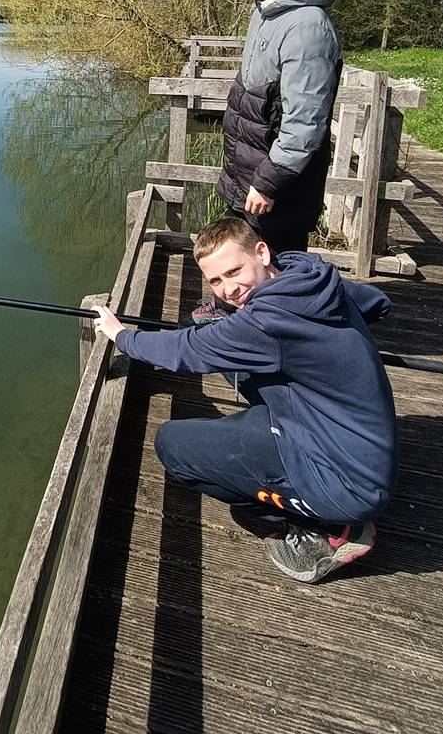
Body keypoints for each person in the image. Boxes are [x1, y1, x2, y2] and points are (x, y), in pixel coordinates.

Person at [93, 216, 398, 584]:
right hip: (358, 444)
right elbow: (378, 303)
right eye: (216, 281)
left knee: (171, 445)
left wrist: (121, 335)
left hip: (350, 486)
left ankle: (328, 528)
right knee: (220, 336)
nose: (228, 289)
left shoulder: (265, 323)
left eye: (234, 271)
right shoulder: (311, 275)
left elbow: (185, 350)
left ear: (261, 251)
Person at [218, 0, 342, 258]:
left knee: (277, 267)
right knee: (246, 258)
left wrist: (268, 182)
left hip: (279, 186)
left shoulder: (306, 27)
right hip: (250, 168)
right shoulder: (265, 12)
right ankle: (232, 308)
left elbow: (305, 122)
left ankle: (268, 311)